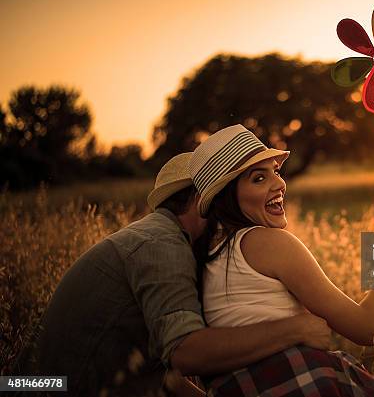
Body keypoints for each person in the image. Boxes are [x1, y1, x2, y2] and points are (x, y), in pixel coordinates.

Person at [12, 152, 331, 397]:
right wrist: (296, 328)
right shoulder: (162, 245)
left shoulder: (167, 240)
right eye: (224, 194)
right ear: (202, 199)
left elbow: (167, 378)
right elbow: (187, 353)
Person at [188, 124, 374, 396]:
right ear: (226, 198)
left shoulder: (206, 255)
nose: (279, 184)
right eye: (258, 178)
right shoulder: (270, 244)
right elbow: (365, 328)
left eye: (276, 172)